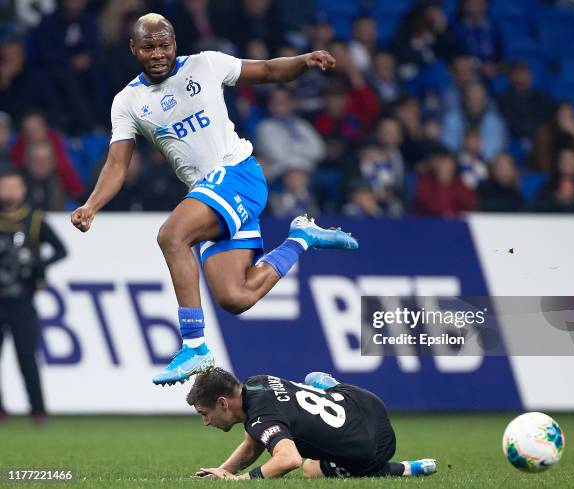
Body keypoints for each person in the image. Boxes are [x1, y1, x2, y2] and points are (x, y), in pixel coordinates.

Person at [69, 14, 358, 387]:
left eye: (164, 45)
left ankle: (194, 345)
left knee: (172, 236)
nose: (158, 53)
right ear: (134, 49)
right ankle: (302, 237)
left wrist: (303, 62)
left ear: (175, 42)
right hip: (211, 195)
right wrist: (92, 205)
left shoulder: (206, 64)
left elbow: (268, 70)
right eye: (149, 47)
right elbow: (117, 163)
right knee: (235, 298)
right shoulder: (127, 101)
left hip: (237, 174)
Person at [186, 368, 437, 479]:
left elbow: (289, 460)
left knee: (310, 469)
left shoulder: (262, 419)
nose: (205, 422)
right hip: (365, 402)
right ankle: (327, 384)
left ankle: (405, 469)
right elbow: (253, 444)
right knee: (309, 382)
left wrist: (239, 480)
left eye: (204, 413)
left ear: (222, 403)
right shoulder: (256, 382)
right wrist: (224, 470)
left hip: (373, 446)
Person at [0, 169, 67, 424]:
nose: (8, 193)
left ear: (22, 190)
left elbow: (61, 250)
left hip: (22, 298)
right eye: (4, 187)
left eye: (13, 187)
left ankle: (38, 410)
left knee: (26, 356)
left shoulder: (34, 219)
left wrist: (39, 265)